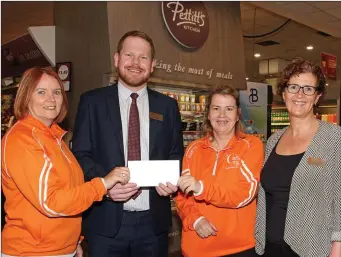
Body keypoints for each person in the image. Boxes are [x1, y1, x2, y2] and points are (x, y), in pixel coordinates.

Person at [71, 30, 184, 257]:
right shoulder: (92, 101)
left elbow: (176, 153)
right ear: (116, 59)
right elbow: (80, 155)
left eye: (143, 57)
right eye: (129, 55)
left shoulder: (167, 107)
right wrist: (105, 186)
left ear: (152, 64)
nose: (135, 63)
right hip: (105, 224)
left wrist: (171, 180)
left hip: (153, 225)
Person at [1, 67, 130, 257]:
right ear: (26, 97)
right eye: (41, 92)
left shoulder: (53, 136)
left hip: (59, 249)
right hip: (32, 251)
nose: (51, 99)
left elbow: (69, 189)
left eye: (56, 92)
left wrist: (73, 239)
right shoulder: (22, 139)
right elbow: (51, 202)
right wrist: (103, 184)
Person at [254, 58, 341, 257]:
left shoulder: (334, 138)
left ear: (317, 97)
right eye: (293, 87)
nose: (300, 94)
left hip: (312, 248)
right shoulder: (274, 140)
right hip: (271, 247)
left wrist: (338, 247)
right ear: (283, 93)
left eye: (308, 89)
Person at [175, 85, 264, 257]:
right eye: (216, 109)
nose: (222, 115)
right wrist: (195, 220)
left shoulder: (251, 145)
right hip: (197, 248)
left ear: (237, 114)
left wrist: (201, 188)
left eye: (229, 109)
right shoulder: (194, 149)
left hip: (240, 248)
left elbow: (245, 194)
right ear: (208, 114)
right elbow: (182, 196)